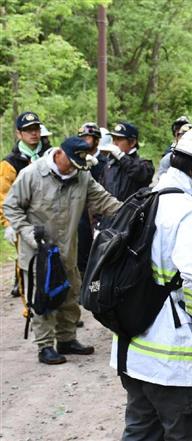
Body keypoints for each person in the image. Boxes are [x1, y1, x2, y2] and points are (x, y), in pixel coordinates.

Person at [112, 126, 192, 441]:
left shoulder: (145, 198)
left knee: (141, 434)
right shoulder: (189, 210)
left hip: (133, 354)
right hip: (175, 363)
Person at [3, 137, 122, 364]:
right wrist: (28, 233)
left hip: (68, 250)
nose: (75, 170)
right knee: (44, 297)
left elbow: (104, 201)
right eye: (72, 163)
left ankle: (67, 339)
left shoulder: (82, 176)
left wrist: (132, 211)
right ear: (59, 154)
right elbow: (11, 206)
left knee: (70, 293)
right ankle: (45, 346)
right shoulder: (32, 175)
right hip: (39, 253)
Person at [1, 111, 52, 298]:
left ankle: (56, 307)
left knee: (55, 262)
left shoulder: (50, 156)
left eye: (36, 129)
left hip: (51, 218)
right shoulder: (10, 163)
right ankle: (30, 307)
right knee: (27, 266)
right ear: (19, 133)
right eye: (28, 130)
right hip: (23, 222)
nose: (34, 133)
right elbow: (3, 197)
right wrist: (9, 224)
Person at [76, 122, 108, 275]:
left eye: (87, 137)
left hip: (99, 214)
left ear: (96, 140)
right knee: (80, 254)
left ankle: (95, 290)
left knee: (97, 256)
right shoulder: (76, 161)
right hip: (80, 215)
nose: (84, 141)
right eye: (81, 137)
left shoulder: (105, 162)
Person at [99, 121, 154, 202]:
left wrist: (121, 156)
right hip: (108, 212)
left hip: (131, 213)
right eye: (113, 139)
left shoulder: (144, 164)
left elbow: (139, 173)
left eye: (119, 139)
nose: (115, 143)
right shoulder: (109, 164)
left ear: (132, 142)